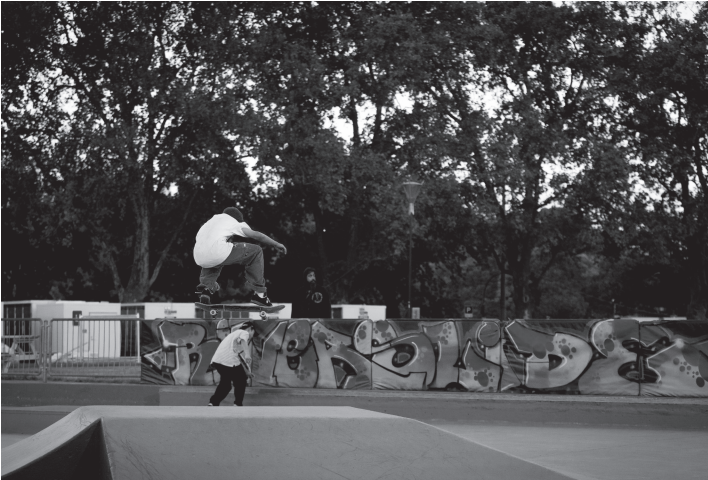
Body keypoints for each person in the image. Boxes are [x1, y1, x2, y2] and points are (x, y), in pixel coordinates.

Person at [193, 207, 286, 306]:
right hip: (217, 251)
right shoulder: (234, 222)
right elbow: (257, 235)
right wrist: (276, 244)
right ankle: (260, 294)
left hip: (198, 256)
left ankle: (206, 290)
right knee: (256, 251)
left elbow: (209, 249)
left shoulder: (211, 222)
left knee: (214, 259)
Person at [207, 322, 255, 406]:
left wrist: (247, 371)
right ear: (250, 329)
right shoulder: (244, 332)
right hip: (227, 362)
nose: (252, 335)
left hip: (219, 361)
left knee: (227, 384)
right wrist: (247, 354)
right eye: (253, 332)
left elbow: (239, 358)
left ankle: (213, 402)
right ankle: (238, 403)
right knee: (240, 381)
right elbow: (244, 340)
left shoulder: (234, 336)